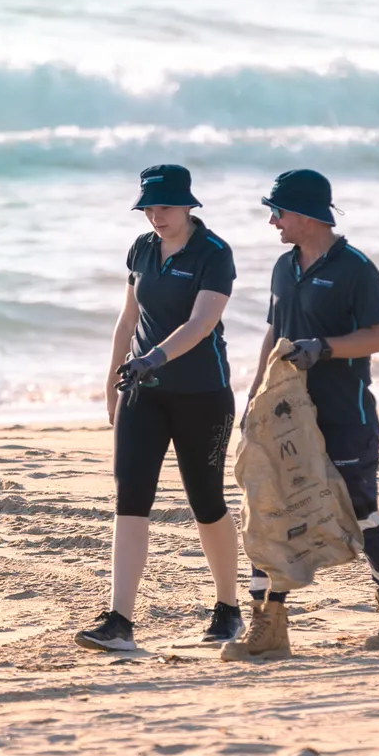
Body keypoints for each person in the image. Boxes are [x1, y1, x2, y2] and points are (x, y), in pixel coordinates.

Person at [231, 168, 379, 658]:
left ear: (307, 215)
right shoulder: (282, 266)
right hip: (286, 418)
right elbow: (273, 333)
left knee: (359, 516)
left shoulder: (357, 268)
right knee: (268, 511)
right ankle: (269, 626)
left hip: (345, 416)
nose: (272, 222)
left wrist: (325, 348)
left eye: (277, 212)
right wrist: (254, 395)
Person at [76, 164, 242, 653]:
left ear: (188, 205)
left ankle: (228, 609)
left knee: (206, 503)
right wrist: (114, 382)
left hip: (203, 395)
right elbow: (128, 318)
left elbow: (203, 322)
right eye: (148, 207)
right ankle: (119, 621)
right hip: (141, 392)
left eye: (164, 206)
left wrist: (153, 358)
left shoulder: (214, 253)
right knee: (130, 499)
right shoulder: (142, 249)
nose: (155, 216)